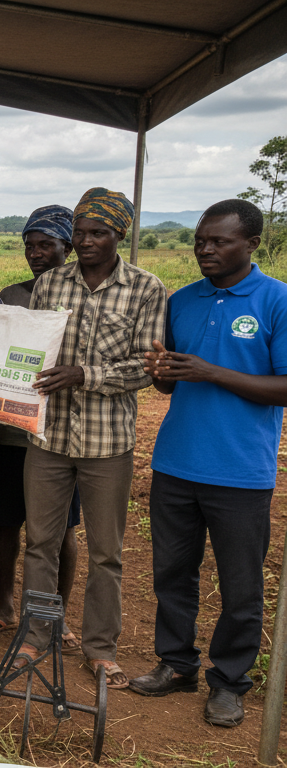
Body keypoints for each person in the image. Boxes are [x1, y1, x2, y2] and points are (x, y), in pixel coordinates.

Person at [131, 200, 286, 728]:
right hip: (176, 462)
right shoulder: (182, 300)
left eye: (219, 242)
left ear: (252, 245)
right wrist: (162, 371)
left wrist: (211, 371)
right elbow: (170, 379)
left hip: (241, 471)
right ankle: (176, 664)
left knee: (240, 585)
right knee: (172, 574)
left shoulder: (276, 300)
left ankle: (229, 682)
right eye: (201, 241)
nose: (206, 250)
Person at [17, 188, 167, 689]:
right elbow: (31, 350)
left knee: (107, 551)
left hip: (108, 443)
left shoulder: (145, 288)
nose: (85, 241)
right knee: (40, 543)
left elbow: (145, 370)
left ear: (118, 234)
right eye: (79, 232)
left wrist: (84, 374)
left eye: (97, 233)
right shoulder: (51, 284)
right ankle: (37, 637)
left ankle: (101, 648)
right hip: (49, 438)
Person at [0, 205, 82, 652]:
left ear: (66, 248)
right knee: (6, 522)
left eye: (46, 245)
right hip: (10, 432)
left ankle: (58, 614)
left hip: (57, 435)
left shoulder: (79, 297)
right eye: (30, 245)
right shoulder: (10, 296)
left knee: (59, 531)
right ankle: (6, 605)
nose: (36, 253)